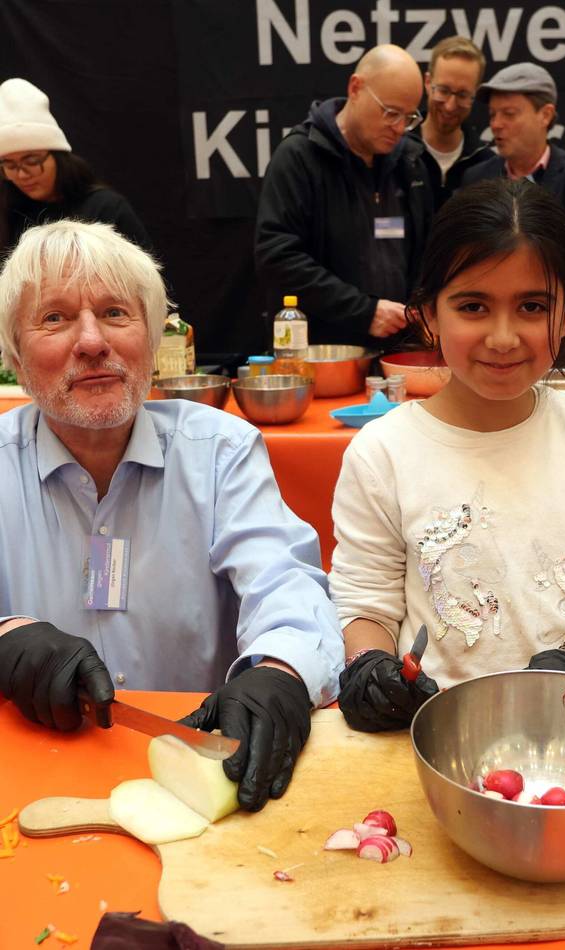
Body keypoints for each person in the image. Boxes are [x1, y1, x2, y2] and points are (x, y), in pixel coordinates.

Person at [0, 220, 343, 811]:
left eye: (114, 313)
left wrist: (283, 672)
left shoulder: (220, 451)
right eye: (54, 318)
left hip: (202, 774)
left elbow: (285, 584)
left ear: (154, 335)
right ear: (13, 354)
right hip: (29, 774)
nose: (91, 342)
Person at [329, 178, 565, 732]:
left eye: (532, 306)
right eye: (473, 306)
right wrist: (371, 665)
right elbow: (365, 603)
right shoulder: (382, 452)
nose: (504, 336)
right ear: (430, 316)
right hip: (435, 733)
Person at [255, 44, 433, 348]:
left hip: (400, 350)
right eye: (390, 112)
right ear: (356, 88)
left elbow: (429, 252)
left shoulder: (411, 162)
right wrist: (364, 312)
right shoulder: (300, 157)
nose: (400, 128)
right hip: (324, 353)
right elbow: (278, 258)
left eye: (409, 116)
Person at [460, 64, 565, 291]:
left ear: (545, 115)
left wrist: (521, 236)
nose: (495, 124)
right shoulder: (476, 178)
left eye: (509, 114)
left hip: (559, 310)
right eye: (492, 114)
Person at [0, 78, 151, 259]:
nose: (22, 174)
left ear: (58, 157)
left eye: (32, 160)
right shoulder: (11, 212)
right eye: (9, 165)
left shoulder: (105, 208)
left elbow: (146, 279)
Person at [410, 35, 492, 210]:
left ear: (474, 95)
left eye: (462, 95)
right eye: (443, 90)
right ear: (427, 82)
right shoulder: (398, 154)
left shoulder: (487, 166)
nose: (450, 106)